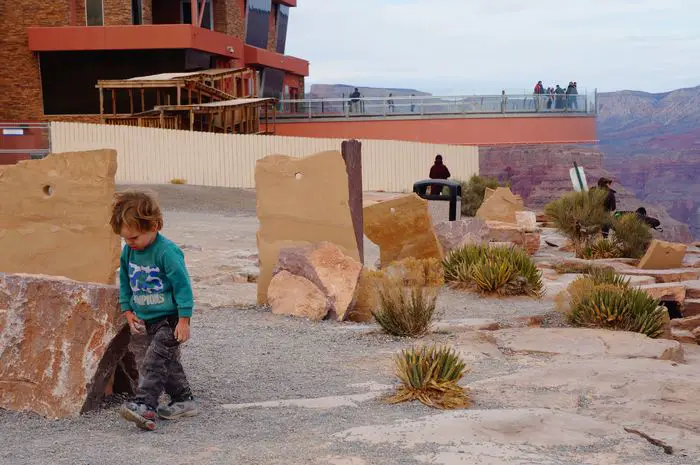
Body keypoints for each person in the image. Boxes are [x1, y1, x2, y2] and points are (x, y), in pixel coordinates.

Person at [111, 191, 198, 431]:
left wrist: (184, 320)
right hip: (147, 318)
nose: (130, 242)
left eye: (135, 237)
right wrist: (128, 310)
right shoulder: (129, 251)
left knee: (153, 360)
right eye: (125, 238)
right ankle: (184, 401)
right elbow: (127, 282)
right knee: (166, 363)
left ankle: (144, 405)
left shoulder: (166, 252)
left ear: (155, 225)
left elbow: (182, 286)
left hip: (169, 320)